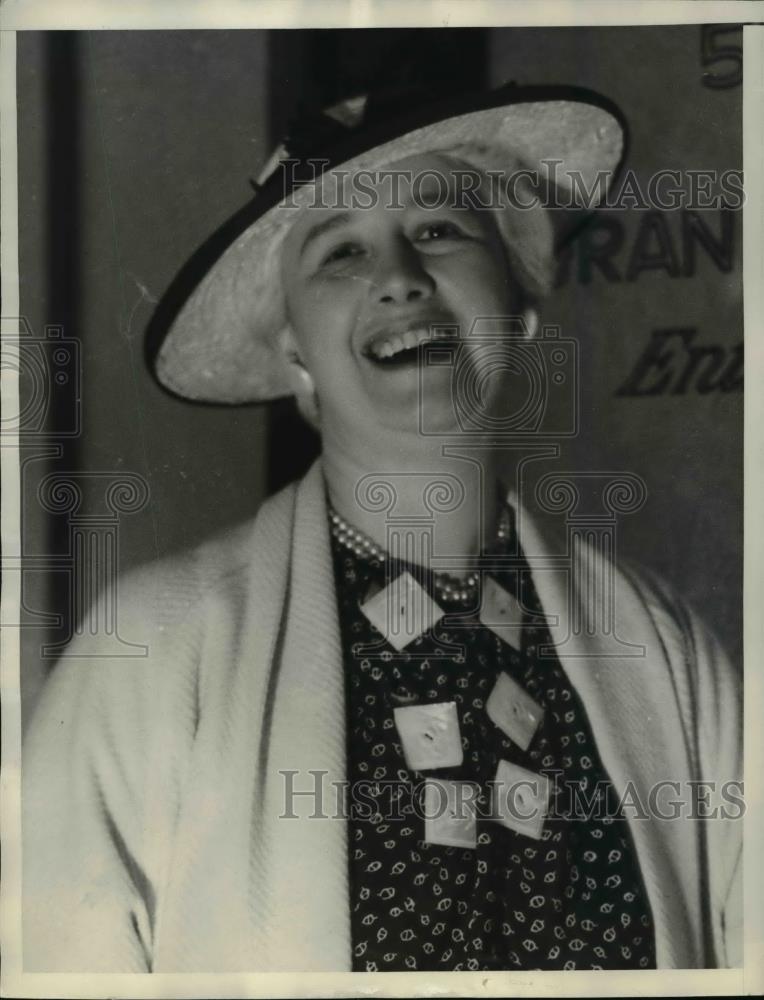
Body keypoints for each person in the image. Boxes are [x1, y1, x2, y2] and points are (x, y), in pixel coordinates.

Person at [22, 83, 742, 973]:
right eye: (341, 253)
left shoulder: (670, 653)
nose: (399, 277)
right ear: (295, 355)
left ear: (518, 308)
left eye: (440, 230)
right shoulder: (146, 650)